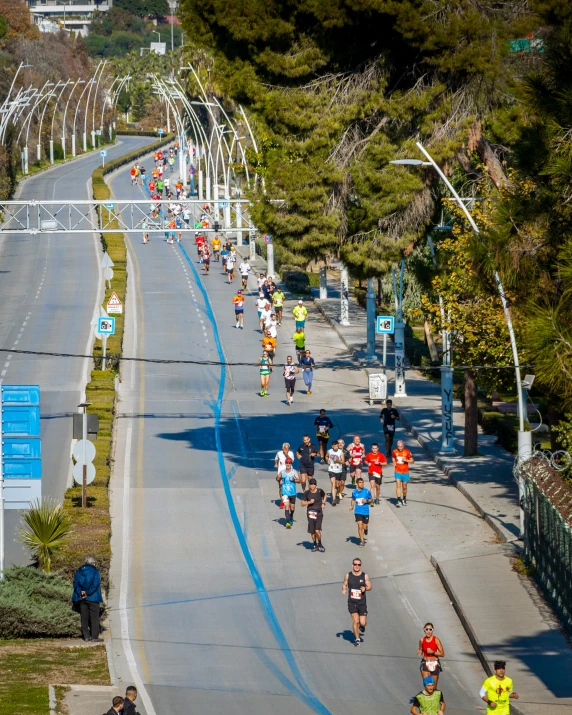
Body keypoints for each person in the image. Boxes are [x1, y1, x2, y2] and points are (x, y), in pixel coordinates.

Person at [342, 557, 372, 646]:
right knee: (356, 620)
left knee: (362, 622)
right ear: (352, 565)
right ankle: (357, 639)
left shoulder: (365, 576)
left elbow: (370, 586)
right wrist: (344, 590)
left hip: (361, 603)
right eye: (355, 564)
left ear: (360, 566)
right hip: (352, 602)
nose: (357, 566)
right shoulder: (348, 575)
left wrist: (365, 588)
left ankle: (362, 626)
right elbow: (344, 584)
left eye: (359, 565)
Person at [72, 555, 103, 642]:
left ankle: (86, 636)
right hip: (93, 597)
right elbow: (96, 583)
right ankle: (94, 637)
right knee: (94, 617)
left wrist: (81, 593)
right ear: (93, 562)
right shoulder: (95, 571)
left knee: (84, 617)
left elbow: (75, 583)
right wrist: (88, 593)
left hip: (82, 598)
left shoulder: (79, 570)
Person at [301, 478, 327, 552]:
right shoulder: (306, 493)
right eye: (311, 484)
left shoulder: (319, 491)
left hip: (319, 513)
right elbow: (302, 503)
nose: (313, 486)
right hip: (310, 514)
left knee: (317, 530)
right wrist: (309, 502)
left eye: (314, 484)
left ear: (316, 485)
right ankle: (315, 544)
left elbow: (325, 495)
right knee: (312, 532)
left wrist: (323, 503)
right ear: (309, 485)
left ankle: (320, 543)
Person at [418, 623, 445, 687]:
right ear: (424, 630)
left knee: (433, 687)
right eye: (426, 629)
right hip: (425, 663)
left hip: (435, 663)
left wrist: (432, 652)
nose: (428, 631)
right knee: (427, 685)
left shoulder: (436, 640)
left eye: (430, 629)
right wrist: (420, 651)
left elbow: (442, 654)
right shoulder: (421, 640)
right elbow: (421, 649)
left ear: (432, 631)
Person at [350, 477, 373, 547]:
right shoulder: (354, 492)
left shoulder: (366, 491)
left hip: (365, 511)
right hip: (358, 511)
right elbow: (353, 499)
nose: (362, 484)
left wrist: (366, 501)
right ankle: (362, 541)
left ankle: (366, 529)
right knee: (360, 526)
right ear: (357, 484)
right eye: (360, 482)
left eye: (362, 482)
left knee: (364, 526)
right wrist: (352, 506)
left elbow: (371, 499)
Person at [392, 439, 414, 507]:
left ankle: (404, 499)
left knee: (404, 487)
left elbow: (412, 461)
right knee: (398, 485)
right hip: (397, 471)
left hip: (405, 472)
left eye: (401, 446)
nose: (400, 448)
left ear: (403, 446)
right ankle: (398, 500)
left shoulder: (407, 451)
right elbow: (393, 457)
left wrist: (406, 460)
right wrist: (394, 462)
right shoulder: (394, 451)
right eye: (398, 446)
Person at [279, 458, 300, 528]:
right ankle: (287, 522)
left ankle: (291, 516)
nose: (288, 464)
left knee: (292, 508)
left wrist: (294, 480)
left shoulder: (294, 472)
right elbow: (277, 478)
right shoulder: (282, 472)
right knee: (286, 506)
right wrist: (279, 480)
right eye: (287, 463)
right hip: (285, 493)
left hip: (293, 493)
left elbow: (299, 480)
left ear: (291, 464)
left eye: (289, 463)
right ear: (285, 464)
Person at [326, 439, 345, 506]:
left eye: (337, 446)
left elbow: (343, 462)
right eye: (334, 446)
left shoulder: (340, 452)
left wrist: (338, 460)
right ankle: (333, 500)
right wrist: (327, 460)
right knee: (333, 484)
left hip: (338, 470)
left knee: (337, 485)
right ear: (332, 446)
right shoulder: (329, 451)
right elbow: (326, 456)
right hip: (331, 470)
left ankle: (338, 493)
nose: (336, 447)